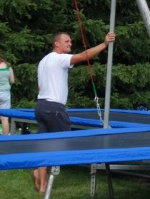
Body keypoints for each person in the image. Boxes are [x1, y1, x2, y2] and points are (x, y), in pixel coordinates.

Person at [31, 31, 116, 194]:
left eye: (70, 41)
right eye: (67, 41)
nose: (70, 43)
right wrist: (104, 44)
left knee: (44, 146)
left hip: (41, 106)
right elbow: (83, 56)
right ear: (56, 43)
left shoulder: (44, 61)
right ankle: (46, 179)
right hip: (54, 108)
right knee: (62, 145)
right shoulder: (59, 58)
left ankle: (41, 182)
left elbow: (39, 86)